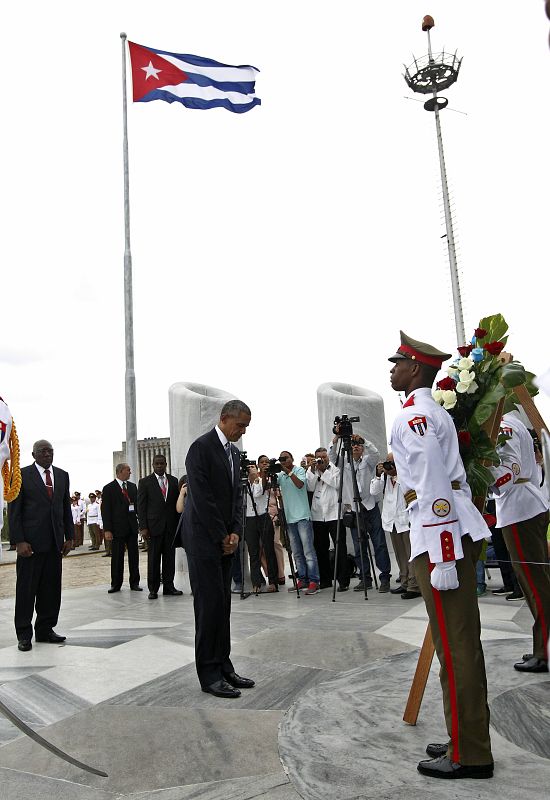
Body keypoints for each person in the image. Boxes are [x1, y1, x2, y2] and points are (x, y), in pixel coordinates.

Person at [388, 330, 493, 779]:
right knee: (458, 642)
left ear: (415, 369)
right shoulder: (429, 412)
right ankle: (463, 736)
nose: (392, 370)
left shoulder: (415, 414)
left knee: (456, 647)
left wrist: (444, 556)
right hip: (445, 528)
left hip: (440, 536)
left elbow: (432, 484)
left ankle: (469, 753)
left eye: (397, 364)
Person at [181, 399, 255, 698]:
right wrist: (221, 535)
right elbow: (201, 498)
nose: (242, 432)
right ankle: (209, 674)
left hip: (226, 540)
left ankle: (224, 665)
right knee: (208, 607)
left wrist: (235, 532)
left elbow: (237, 497)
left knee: (222, 605)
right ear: (225, 419)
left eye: (246, 427)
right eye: (240, 426)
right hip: (203, 541)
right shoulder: (201, 448)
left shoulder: (235, 455)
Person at [490, 412, 550, 672]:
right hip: (525, 505)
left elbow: (509, 472)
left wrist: (481, 473)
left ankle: (545, 651)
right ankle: (542, 645)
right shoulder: (511, 422)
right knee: (535, 582)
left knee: (536, 584)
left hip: (519, 509)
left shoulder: (504, 426)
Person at [8, 439, 74, 651]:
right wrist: (19, 541)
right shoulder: (21, 476)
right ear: (34, 454)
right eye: (43, 451)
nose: (47, 454)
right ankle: (24, 634)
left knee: (51, 590)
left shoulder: (62, 475)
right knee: (26, 591)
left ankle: (45, 630)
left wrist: (70, 537)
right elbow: (14, 512)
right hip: (30, 546)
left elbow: (65, 508)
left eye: (50, 451)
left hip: (55, 544)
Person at [328, 434, 392, 592]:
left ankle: (384, 577)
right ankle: (365, 578)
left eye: (358, 445)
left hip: (370, 507)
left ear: (362, 448)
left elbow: (376, 453)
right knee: (359, 546)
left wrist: (364, 440)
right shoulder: (344, 462)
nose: (355, 446)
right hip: (354, 510)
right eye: (353, 445)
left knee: (379, 544)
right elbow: (332, 455)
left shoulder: (368, 461)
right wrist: (336, 438)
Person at [370, 454, 421, 599]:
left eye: (392, 462)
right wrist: (379, 475)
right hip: (391, 520)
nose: (389, 465)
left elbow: (410, 488)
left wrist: (397, 473)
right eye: (387, 462)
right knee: (400, 554)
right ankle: (404, 581)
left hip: (405, 519)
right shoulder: (385, 477)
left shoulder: (407, 474)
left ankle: (414, 586)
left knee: (411, 554)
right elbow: (374, 491)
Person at [137, 453, 183, 600]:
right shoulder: (145, 482)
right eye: (157, 464)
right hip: (153, 528)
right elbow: (141, 507)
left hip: (170, 527)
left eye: (162, 463)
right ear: (152, 465)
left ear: (166, 464)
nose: (159, 466)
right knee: (154, 560)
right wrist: (143, 527)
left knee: (170, 559)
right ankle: (153, 589)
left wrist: (178, 527)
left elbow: (177, 505)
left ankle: (169, 586)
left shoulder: (173, 481)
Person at [277, 450, 320, 594]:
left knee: (308, 551)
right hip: (290, 519)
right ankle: (303, 579)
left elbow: (300, 484)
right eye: (281, 459)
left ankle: (314, 581)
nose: (283, 460)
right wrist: (266, 473)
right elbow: (267, 487)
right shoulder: (280, 475)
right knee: (296, 552)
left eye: (286, 458)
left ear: (292, 459)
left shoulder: (299, 470)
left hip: (302, 517)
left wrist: (287, 471)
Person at [306, 447, 349, 591]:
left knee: (340, 547)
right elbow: (310, 487)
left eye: (323, 457)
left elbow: (336, 484)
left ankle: (343, 581)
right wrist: (312, 470)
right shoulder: (313, 470)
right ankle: (325, 580)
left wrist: (324, 470)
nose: (321, 459)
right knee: (320, 548)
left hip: (334, 514)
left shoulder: (335, 470)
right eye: (318, 457)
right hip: (318, 515)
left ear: (327, 457)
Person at [101, 463, 141, 593]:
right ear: (120, 471)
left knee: (134, 557)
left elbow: (137, 507)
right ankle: (116, 584)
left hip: (132, 528)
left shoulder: (133, 487)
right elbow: (106, 510)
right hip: (117, 529)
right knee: (117, 557)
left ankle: (134, 583)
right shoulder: (109, 488)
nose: (130, 472)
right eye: (128, 470)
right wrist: (107, 529)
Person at [245, 456, 279, 593]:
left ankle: (273, 581)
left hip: (263, 516)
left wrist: (257, 475)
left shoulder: (262, 478)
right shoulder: (241, 482)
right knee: (253, 552)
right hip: (249, 518)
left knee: (269, 549)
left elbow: (258, 492)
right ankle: (256, 583)